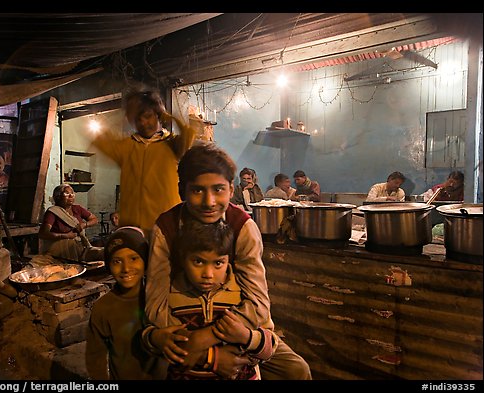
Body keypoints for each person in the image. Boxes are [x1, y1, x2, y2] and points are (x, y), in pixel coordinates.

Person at [144, 142, 312, 380]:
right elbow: (156, 305)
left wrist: (208, 339)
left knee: (297, 371)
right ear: (182, 190)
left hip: (238, 328)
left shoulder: (243, 226)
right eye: (198, 190)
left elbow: (257, 303)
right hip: (183, 328)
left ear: (231, 189)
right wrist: (202, 352)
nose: (209, 201)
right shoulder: (167, 228)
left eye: (218, 189)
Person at [146, 218, 278, 380]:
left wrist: (246, 336)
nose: (208, 274)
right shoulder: (173, 296)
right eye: (198, 261)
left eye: (218, 263)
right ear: (182, 259)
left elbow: (270, 347)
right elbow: (166, 343)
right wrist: (212, 358)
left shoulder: (243, 297)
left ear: (229, 260)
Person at [90, 86, 197, 237]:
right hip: (132, 226)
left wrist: (169, 116)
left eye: (148, 116)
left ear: (158, 115)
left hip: (165, 224)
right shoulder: (126, 146)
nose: (143, 123)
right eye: (137, 119)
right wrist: (124, 114)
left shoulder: (171, 143)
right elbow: (100, 140)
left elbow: (188, 135)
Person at [85, 227, 168, 380]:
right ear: (109, 266)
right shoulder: (103, 307)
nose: (126, 268)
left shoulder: (158, 299)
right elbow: (95, 357)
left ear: (145, 261)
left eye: (134, 258)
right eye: (117, 261)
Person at [38, 183, 103, 262]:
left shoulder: (77, 208)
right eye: (67, 193)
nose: (71, 196)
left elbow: (94, 220)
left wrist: (84, 225)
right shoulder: (53, 212)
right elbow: (43, 234)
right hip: (60, 250)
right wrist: (65, 235)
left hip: (80, 246)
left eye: (72, 193)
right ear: (58, 197)